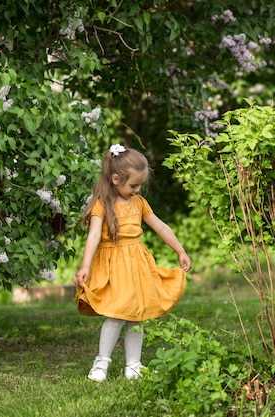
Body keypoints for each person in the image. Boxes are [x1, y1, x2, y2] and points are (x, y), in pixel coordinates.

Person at [73, 144, 192, 382]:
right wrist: (85, 266)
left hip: (137, 264)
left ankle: (134, 366)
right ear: (116, 179)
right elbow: (94, 235)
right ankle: (101, 362)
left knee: (136, 315)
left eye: (139, 185)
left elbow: (161, 226)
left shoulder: (139, 203)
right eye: (133, 185)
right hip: (113, 266)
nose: (137, 190)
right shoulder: (101, 204)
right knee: (116, 313)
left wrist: (180, 250)